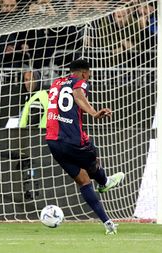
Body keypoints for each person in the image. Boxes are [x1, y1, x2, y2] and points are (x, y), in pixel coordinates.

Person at [45, 59, 125, 235]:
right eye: (88, 74)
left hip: (52, 140)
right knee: (92, 155)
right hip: (72, 139)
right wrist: (94, 113)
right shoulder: (79, 82)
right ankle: (104, 182)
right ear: (83, 73)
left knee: (83, 180)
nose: (88, 78)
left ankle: (108, 223)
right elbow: (78, 95)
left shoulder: (55, 83)